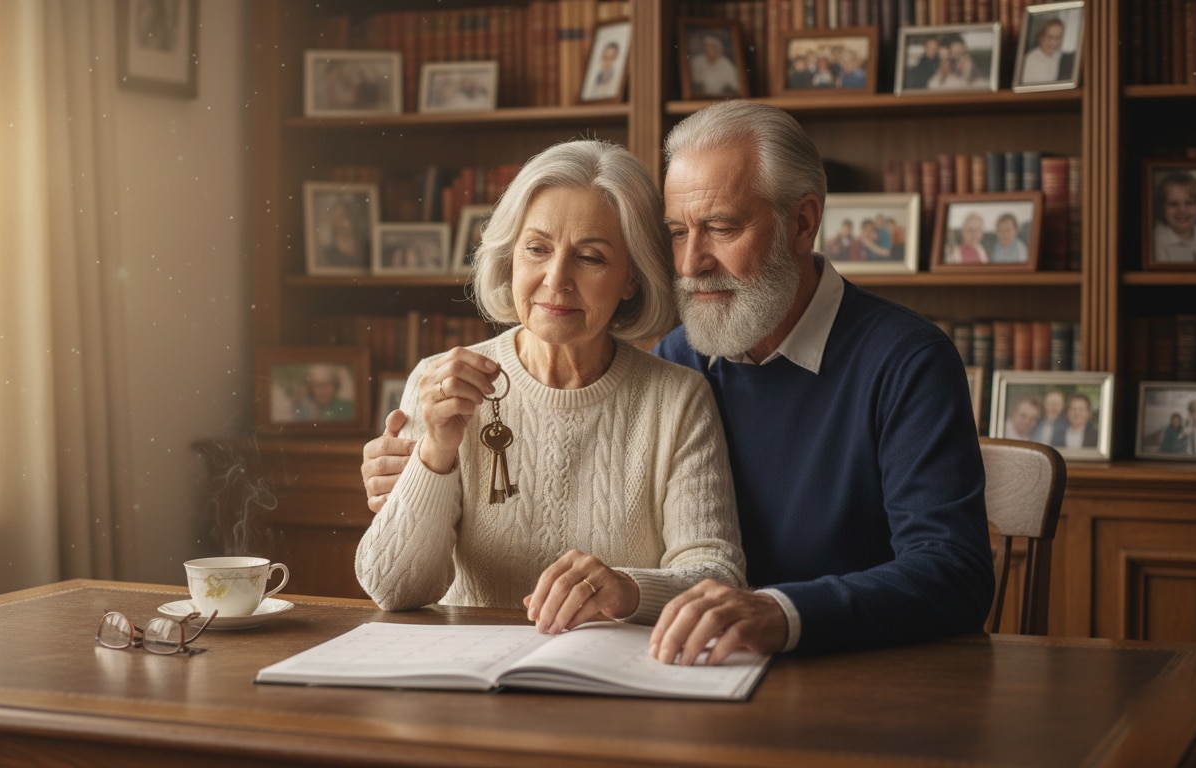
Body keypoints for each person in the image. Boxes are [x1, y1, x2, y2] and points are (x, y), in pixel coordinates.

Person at [364, 100, 993, 662]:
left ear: (802, 224)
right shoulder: (687, 352)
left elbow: (952, 573)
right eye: (676, 232)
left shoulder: (906, 360)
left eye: (721, 227)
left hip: (850, 670)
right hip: (689, 662)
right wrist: (424, 467)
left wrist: (781, 612)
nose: (691, 264)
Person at [354, 140, 746, 632]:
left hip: (612, 680)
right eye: (537, 249)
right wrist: (435, 454)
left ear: (631, 278)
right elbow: (392, 589)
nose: (555, 279)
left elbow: (718, 579)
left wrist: (626, 590)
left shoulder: (678, 398)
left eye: (590, 258)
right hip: (468, 680)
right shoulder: (440, 381)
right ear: (511, 257)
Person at [1152, 172, 1196, 263]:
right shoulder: (1156, 241)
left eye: (1189, 203)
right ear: (1162, 208)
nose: (1182, 210)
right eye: (1173, 204)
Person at [1020, 16, 1073, 85]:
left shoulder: (1060, 58)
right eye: (1049, 37)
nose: (1053, 43)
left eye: (1057, 38)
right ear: (1041, 37)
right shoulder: (1030, 60)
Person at [688, 33, 741, 98]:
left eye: (712, 48)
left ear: (718, 49)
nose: (709, 50)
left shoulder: (726, 63)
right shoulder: (697, 61)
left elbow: (734, 87)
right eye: (707, 48)